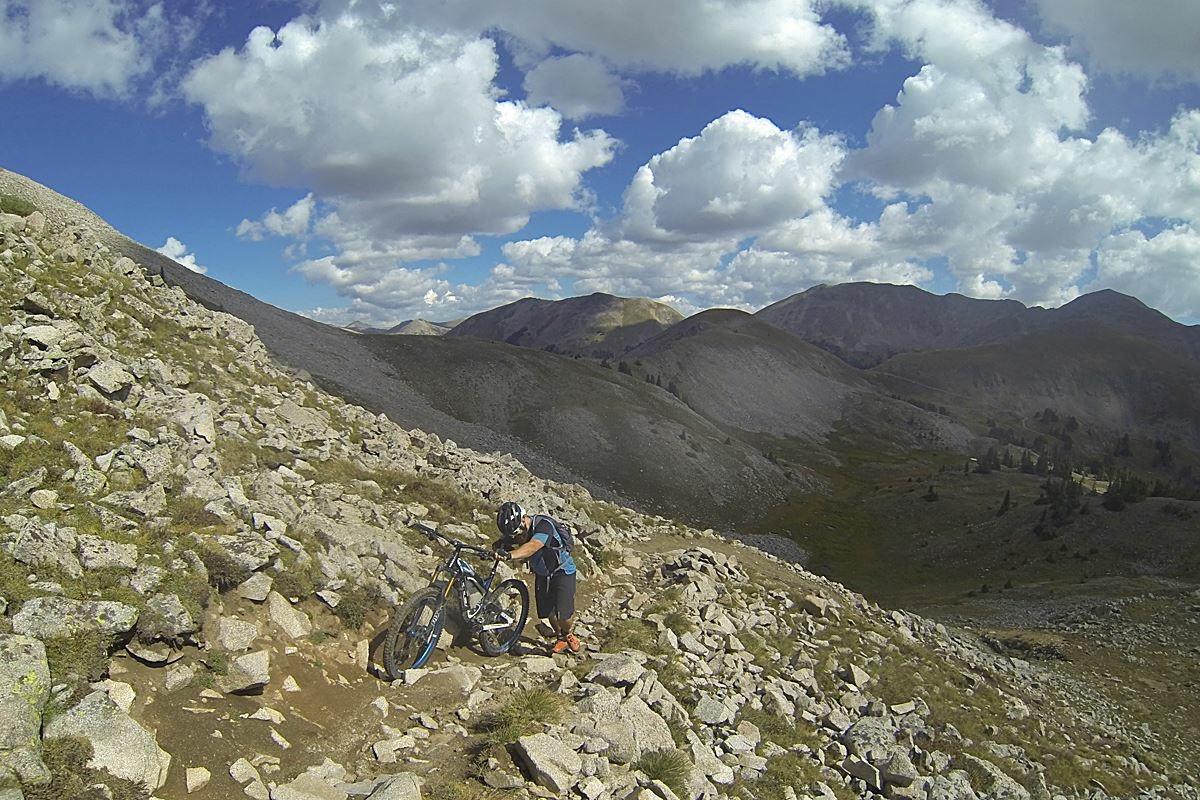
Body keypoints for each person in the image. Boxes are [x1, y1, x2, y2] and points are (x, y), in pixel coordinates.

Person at [495, 501, 580, 654]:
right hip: (542, 574)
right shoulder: (516, 530)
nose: (517, 536)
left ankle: (568, 634)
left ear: (523, 519)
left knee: (564, 616)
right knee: (549, 612)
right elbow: (504, 542)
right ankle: (560, 638)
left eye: (518, 532)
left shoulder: (543, 525)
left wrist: (510, 555)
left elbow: (534, 545)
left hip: (562, 571)